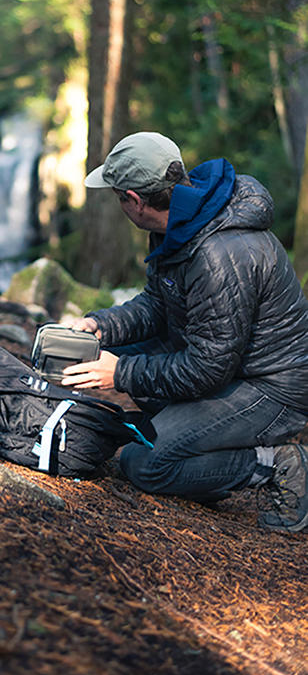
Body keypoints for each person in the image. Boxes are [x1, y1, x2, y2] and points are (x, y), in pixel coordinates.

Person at [61, 131, 308, 533]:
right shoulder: (180, 223)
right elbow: (158, 304)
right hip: (231, 366)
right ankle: (201, 461)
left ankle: (278, 464)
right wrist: (101, 325)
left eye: (116, 197)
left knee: (143, 463)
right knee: (136, 374)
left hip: (273, 387)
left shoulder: (220, 253)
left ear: (135, 200)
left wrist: (119, 373)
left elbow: (209, 368)